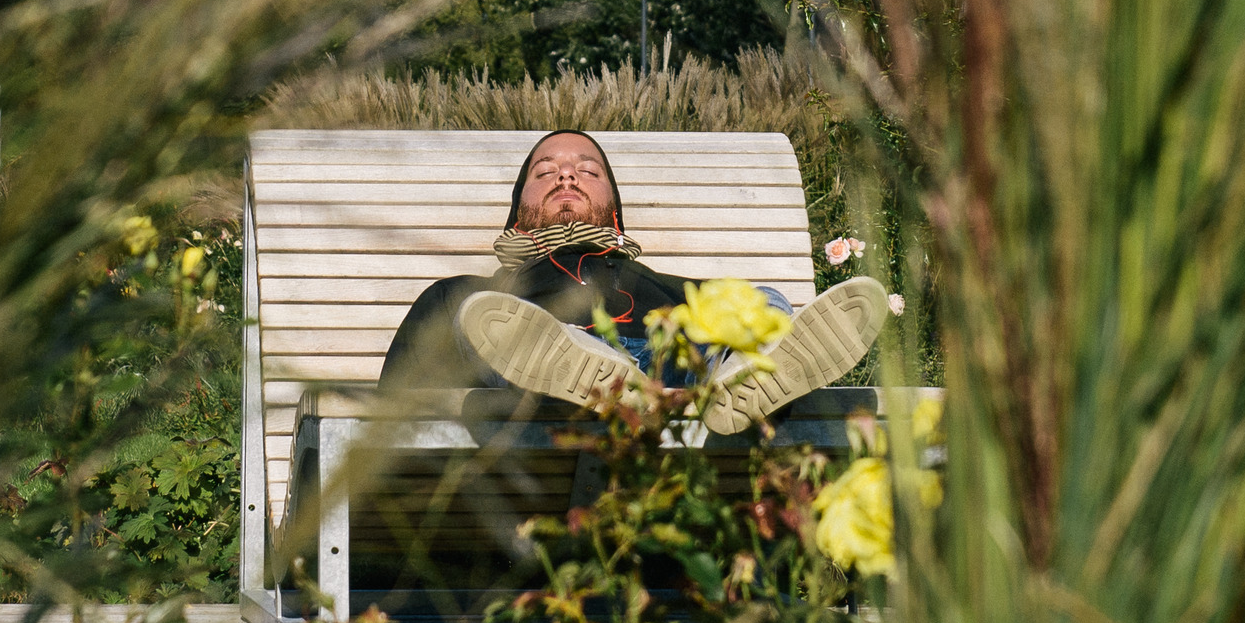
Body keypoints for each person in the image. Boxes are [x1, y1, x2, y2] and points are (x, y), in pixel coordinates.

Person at [377, 127, 885, 439]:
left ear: (614, 213)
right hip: (537, 391)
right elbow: (390, 418)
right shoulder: (470, 294)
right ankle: (578, 361)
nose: (566, 176)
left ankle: (743, 375)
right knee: (475, 315)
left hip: (677, 371)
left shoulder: (667, 287)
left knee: (758, 299)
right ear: (517, 214)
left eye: (587, 171)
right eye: (545, 172)